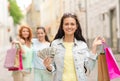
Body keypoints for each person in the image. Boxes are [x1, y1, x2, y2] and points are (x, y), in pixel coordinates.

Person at [43, 13, 105, 81]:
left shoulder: (82, 45)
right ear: (62, 26)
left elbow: (89, 67)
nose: (69, 26)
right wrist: (48, 66)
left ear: (76, 26)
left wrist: (94, 47)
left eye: (72, 24)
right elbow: (53, 68)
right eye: (66, 24)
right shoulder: (55, 44)